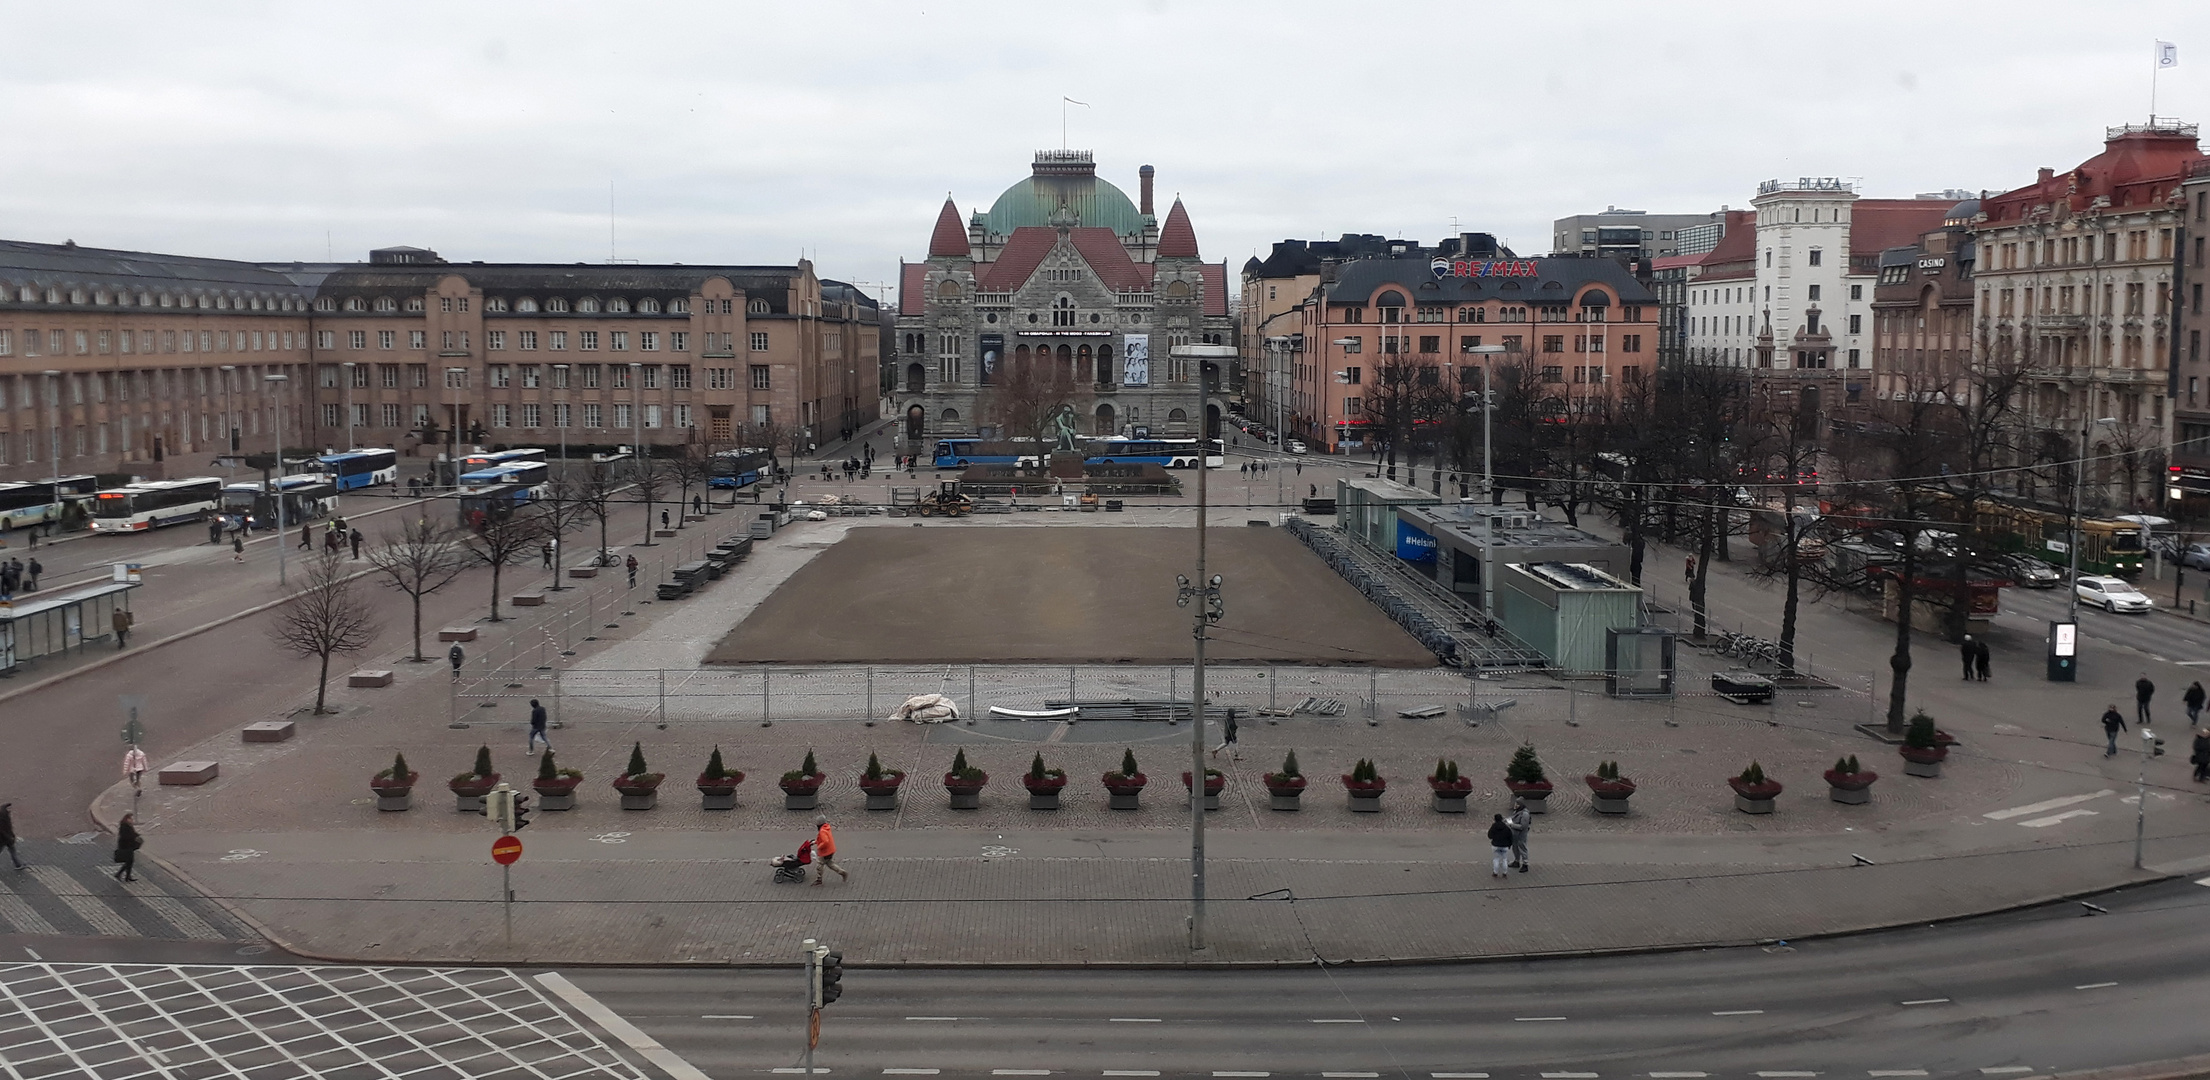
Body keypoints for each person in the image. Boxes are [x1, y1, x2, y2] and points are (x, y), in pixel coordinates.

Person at [811, 815, 849, 885]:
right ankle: (842, 872)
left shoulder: (822, 831)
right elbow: (822, 839)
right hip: (830, 850)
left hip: (825, 852)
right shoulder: (826, 828)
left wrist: (819, 847)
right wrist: (815, 842)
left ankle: (819, 879)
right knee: (830, 863)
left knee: (820, 864)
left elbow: (825, 841)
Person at [112, 813, 142, 882]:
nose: (132, 820)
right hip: (125, 846)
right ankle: (125, 876)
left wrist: (136, 835)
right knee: (130, 861)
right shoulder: (124, 826)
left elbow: (131, 834)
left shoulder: (128, 826)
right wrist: (133, 836)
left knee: (129, 861)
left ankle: (123, 875)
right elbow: (125, 836)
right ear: (127, 819)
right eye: (131, 819)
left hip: (129, 845)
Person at [1487, 814, 1515, 878]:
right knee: (1504, 859)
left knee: (1496, 859)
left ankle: (1495, 872)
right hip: (1505, 846)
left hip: (1496, 845)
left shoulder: (1494, 826)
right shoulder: (1506, 827)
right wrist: (1509, 844)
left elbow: (1489, 835)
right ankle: (1504, 873)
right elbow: (1510, 837)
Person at [1507, 800, 1532, 872]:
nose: (1515, 805)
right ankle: (1516, 861)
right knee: (1515, 847)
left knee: (1522, 848)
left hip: (1521, 835)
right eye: (1515, 803)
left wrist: (1511, 825)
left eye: (1517, 804)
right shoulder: (1517, 811)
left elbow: (1523, 826)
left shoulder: (1525, 814)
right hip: (1514, 834)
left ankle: (1525, 863)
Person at [0, 803, 22, 870]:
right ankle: (18, 864)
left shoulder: (4, 816)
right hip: (5, 839)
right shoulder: (3, 820)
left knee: (13, 851)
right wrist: (10, 837)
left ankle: (18, 864)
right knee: (12, 851)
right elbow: (4, 831)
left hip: (6, 839)